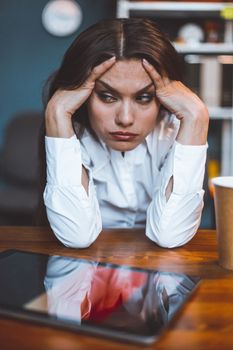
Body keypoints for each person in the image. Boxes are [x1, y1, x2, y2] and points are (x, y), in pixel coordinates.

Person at [42, 18, 209, 248]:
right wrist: (57, 112)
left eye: (143, 97)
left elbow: (171, 236)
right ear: (84, 95)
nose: (125, 118)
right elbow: (76, 236)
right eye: (108, 96)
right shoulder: (70, 131)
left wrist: (197, 116)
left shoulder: (176, 130)